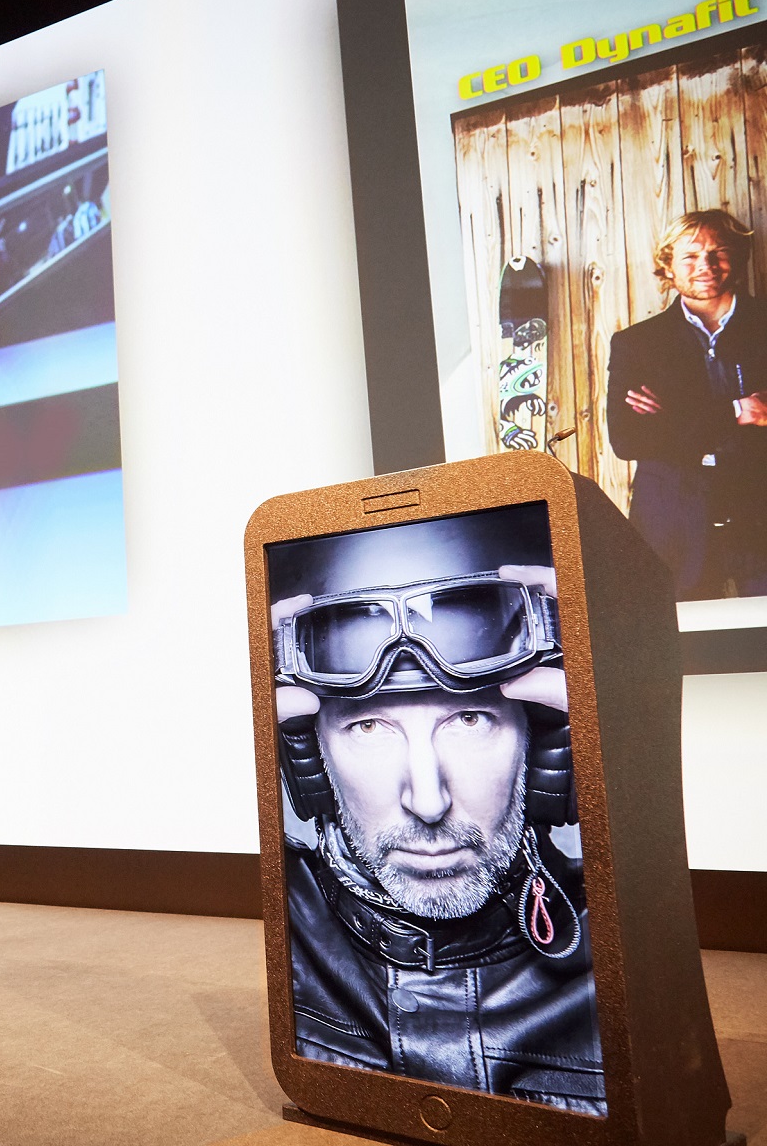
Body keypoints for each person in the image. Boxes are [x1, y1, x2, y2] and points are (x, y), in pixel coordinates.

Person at [269, 515, 603, 1114]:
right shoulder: (280, 927)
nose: (428, 801)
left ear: (546, 739)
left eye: (470, 720)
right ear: (308, 758)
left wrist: (629, 728)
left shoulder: (622, 957)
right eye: (369, 726)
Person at [607, 209, 767, 599]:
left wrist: (673, 418)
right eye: (690, 256)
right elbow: (629, 440)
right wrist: (737, 411)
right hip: (672, 517)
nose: (706, 265)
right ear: (669, 267)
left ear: (738, 256)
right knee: (687, 649)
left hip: (758, 507)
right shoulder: (637, 343)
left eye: (718, 252)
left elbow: (657, 434)